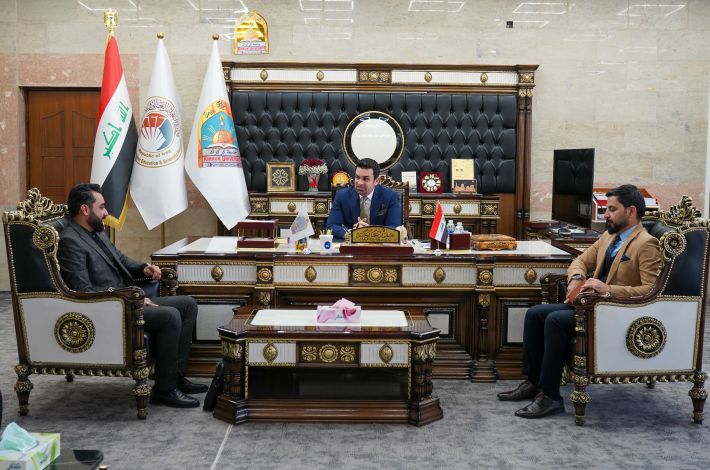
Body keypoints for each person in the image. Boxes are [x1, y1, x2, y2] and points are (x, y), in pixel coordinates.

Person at [498, 184, 661, 418]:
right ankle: (534, 383)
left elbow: (650, 290)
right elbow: (580, 261)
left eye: (612, 209)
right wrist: (576, 277)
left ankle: (551, 397)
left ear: (631, 211)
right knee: (535, 313)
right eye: (606, 209)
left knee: (555, 321)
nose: (606, 215)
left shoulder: (646, 244)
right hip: (589, 305)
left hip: (614, 310)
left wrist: (607, 289)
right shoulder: (609, 236)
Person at [57, 183, 208, 408]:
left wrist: (144, 268)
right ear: (85, 209)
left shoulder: (95, 231)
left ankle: (174, 376)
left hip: (127, 300)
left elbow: (120, 259)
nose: (106, 213)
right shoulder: (70, 241)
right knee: (170, 316)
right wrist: (130, 297)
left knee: (187, 304)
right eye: (102, 207)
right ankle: (165, 391)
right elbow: (83, 291)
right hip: (110, 308)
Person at [325, 158, 402, 239]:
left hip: (379, 244)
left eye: (365, 179)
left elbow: (394, 227)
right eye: (357, 177)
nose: (360, 183)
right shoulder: (342, 196)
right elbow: (331, 226)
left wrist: (367, 233)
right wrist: (352, 233)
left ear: (376, 180)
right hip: (350, 244)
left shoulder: (390, 196)